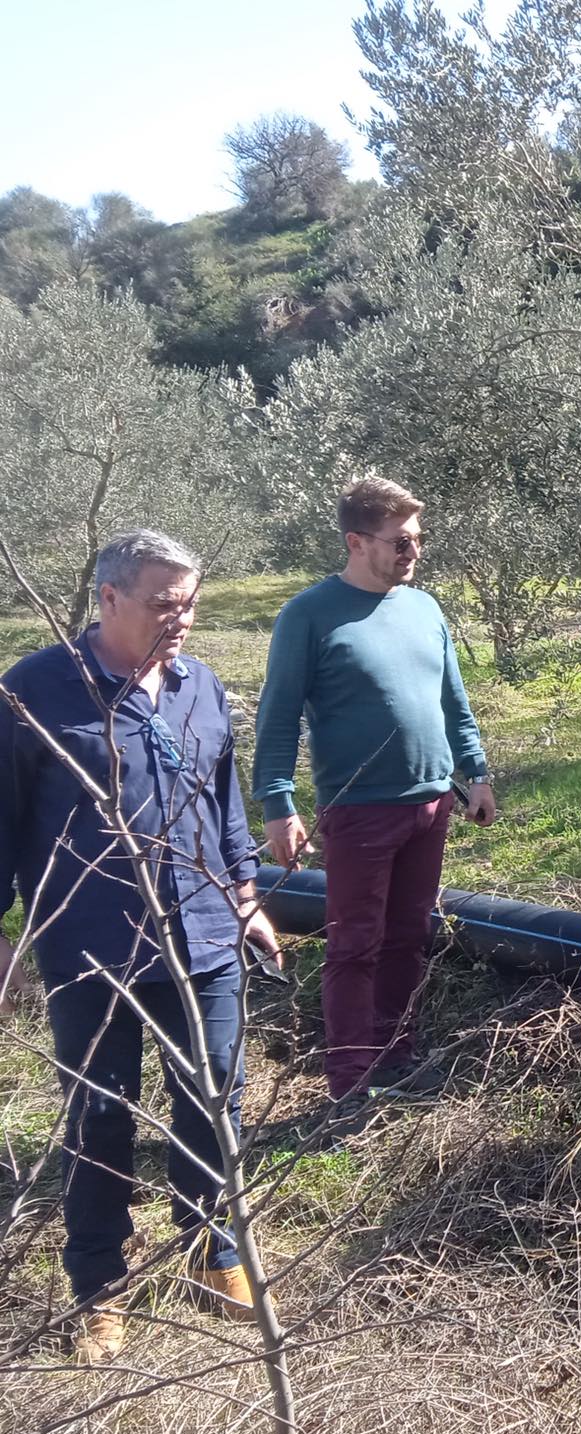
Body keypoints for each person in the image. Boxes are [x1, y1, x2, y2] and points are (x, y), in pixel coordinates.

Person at [0, 530, 281, 1361]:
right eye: (164, 602)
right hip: (92, 949)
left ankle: (211, 1251)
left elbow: (222, 800)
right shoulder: (34, 694)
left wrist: (247, 895)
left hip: (204, 936)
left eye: (190, 601)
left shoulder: (199, 687)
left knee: (213, 1100)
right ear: (110, 599)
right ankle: (99, 1289)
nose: (182, 618)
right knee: (100, 1114)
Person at [253, 477, 497, 1099]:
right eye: (400, 542)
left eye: (417, 540)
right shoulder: (308, 615)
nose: (413, 552)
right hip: (358, 810)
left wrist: (476, 772)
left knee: (408, 934)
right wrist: (278, 803)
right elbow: (278, 716)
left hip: (432, 801)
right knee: (354, 944)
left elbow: (453, 700)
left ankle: (398, 1054)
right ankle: (349, 1080)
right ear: (356, 541)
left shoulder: (424, 607)